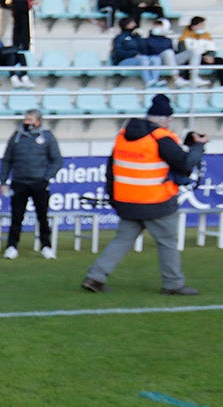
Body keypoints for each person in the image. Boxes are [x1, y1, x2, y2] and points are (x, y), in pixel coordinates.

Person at [83, 94, 206, 295]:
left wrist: (114, 197)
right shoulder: (161, 137)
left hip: (127, 200)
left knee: (122, 240)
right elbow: (184, 163)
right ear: (166, 119)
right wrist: (198, 146)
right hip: (156, 201)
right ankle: (173, 284)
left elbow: (110, 170)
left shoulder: (123, 135)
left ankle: (95, 277)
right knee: (167, 242)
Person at [0, 109, 64, 259]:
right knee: (16, 216)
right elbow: (6, 160)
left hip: (39, 183)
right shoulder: (16, 137)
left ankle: (46, 246)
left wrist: (46, 178)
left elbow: (57, 160)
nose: (26, 122)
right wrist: (3, 181)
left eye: (30, 120)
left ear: (38, 122)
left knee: (42, 216)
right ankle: (11, 247)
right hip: (18, 182)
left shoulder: (47, 137)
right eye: (26, 119)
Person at [111, 17, 161, 88]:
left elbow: (144, 49)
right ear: (126, 25)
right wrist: (133, 54)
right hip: (123, 62)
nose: (135, 25)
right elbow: (118, 52)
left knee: (156, 58)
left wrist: (139, 37)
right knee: (143, 59)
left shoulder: (136, 36)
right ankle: (148, 82)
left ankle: (154, 81)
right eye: (132, 23)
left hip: (139, 59)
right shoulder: (120, 38)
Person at [179, 16, 219, 85]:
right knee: (188, 62)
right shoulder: (184, 37)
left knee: (219, 61)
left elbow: (212, 48)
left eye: (203, 25)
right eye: (201, 25)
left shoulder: (206, 35)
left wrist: (210, 55)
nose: (203, 27)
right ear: (193, 26)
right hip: (191, 58)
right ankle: (190, 82)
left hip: (204, 57)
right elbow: (182, 51)